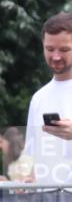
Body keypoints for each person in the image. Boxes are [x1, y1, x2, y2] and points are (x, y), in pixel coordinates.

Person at [25, 12, 72, 184]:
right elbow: (31, 152)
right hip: (46, 196)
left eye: (64, 50)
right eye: (50, 49)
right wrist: (26, 179)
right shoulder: (39, 98)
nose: (56, 56)